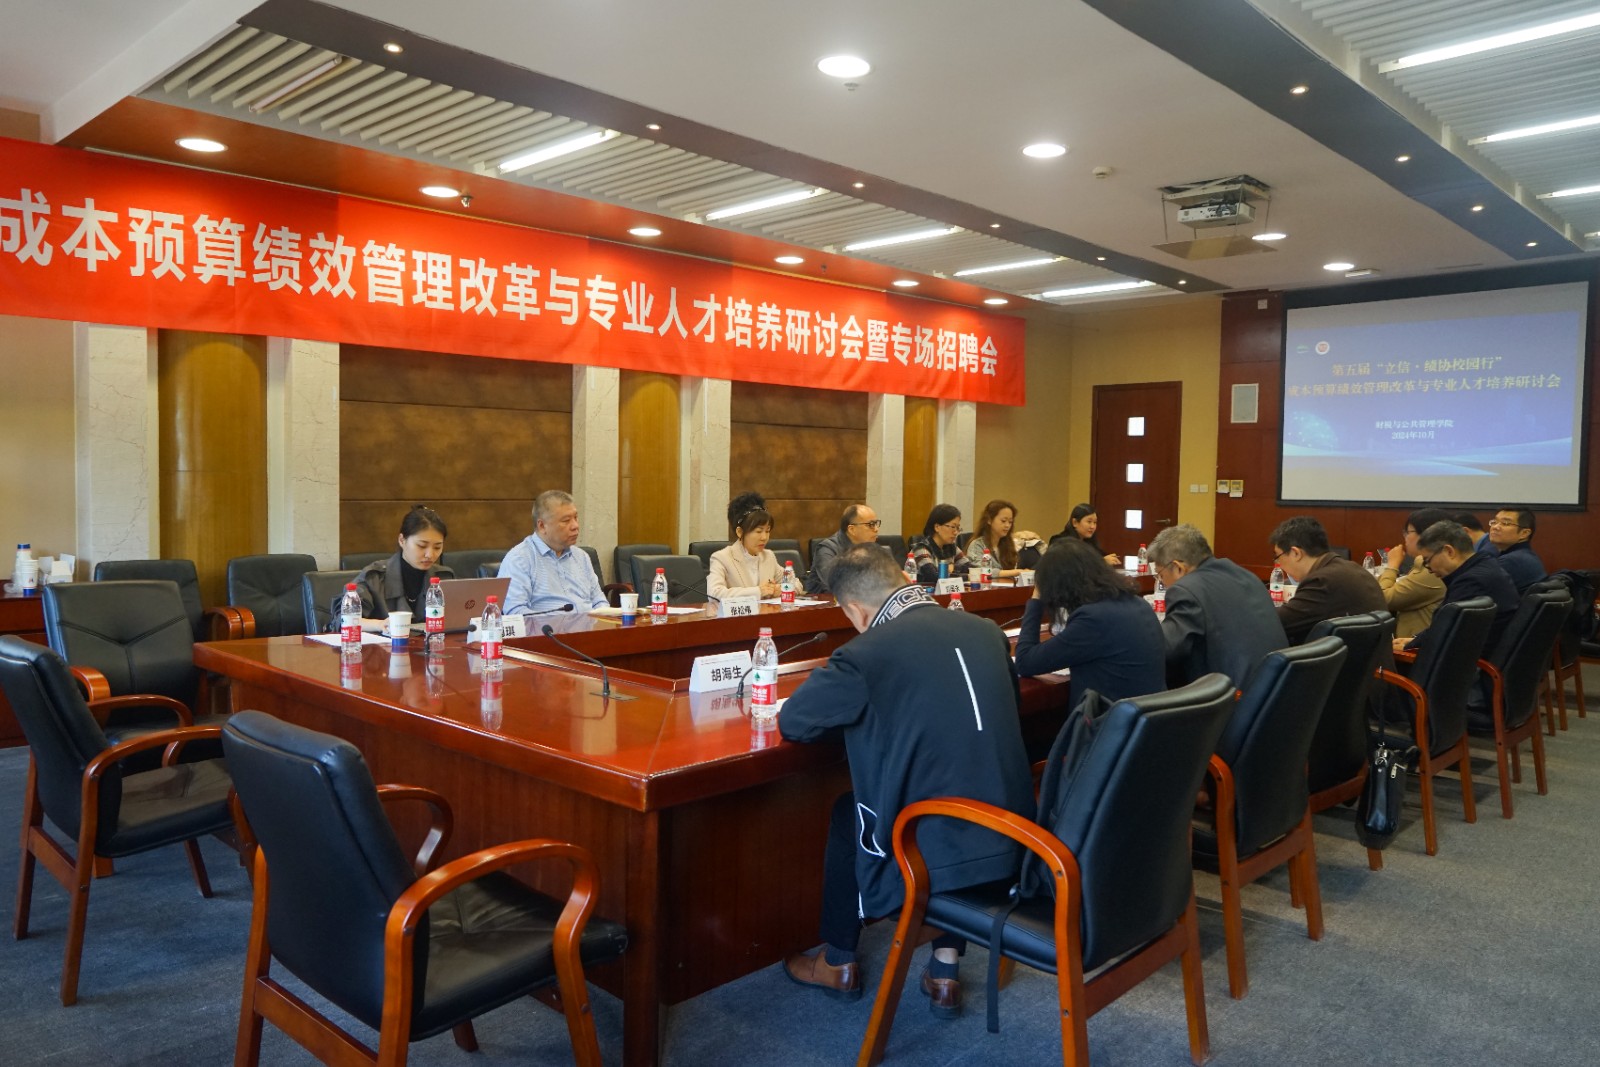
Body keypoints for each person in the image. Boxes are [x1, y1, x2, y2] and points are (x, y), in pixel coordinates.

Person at [779, 546, 1031, 1014]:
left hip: (929, 849)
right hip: (1012, 839)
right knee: (956, 784)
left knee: (849, 812)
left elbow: (795, 722)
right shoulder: (986, 631)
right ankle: (945, 968)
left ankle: (838, 961)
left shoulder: (865, 653)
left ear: (856, 610)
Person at [1013, 538, 1165, 708]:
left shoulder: (1093, 619)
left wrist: (1036, 599)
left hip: (1109, 721)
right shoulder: (1138, 603)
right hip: (1145, 719)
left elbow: (1025, 662)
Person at [1146, 524, 1287, 688]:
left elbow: (1165, 650)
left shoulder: (1186, 590)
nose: (1161, 582)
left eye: (1160, 575)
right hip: (1275, 687)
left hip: (1233, 694)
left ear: (1179, 568)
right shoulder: (1245, 575)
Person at [1398, 520, 1519, 655]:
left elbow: (1445, 633)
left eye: (1427, 561)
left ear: (1449, 551)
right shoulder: (1486, 565)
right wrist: (1415, 640)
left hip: (1470, 662)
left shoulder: (1470, 582)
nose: (1429, 569)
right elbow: (1443, 628)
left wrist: (1408, 647)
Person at [1269, 516, 1385, 645]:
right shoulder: (1352, 569)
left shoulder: (1322, 582)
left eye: (1278, 556)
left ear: (1296, 553)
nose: (1278, 563)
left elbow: (1276, 623)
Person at [338, 505, 456, 626]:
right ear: (402, 540)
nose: (430, 555)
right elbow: (343, 620)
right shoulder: (374, 578)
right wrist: (380, 625)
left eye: (437, 547)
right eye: (421, 546)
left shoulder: (444, 577)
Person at [500, 490, 607, 616]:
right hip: (548, 628)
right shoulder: (519, 559)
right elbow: (516, 612)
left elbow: (599, 601)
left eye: (575, 518)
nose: (575, 526)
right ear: (542, 526)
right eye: (566, 520)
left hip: (590, 626)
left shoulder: (581, 556)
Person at [1376, 507, 1451, 639]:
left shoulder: (1432, 570)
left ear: (1427, 534)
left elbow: (1383, 599)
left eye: (1408, 532)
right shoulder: (1424, 563)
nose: (1405, 537)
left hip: (1416, 647)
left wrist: (1392, 565)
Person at [708, 491, 782, 600]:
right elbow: (714, 593)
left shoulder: (768, 556)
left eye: (767, 531)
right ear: (740, 532)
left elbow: (795, 583)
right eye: (758, 531)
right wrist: (758, 591)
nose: (764, 537)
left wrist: (781, 589)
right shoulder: (722, 558)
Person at [805, 503, 882, 595]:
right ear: (852, 529)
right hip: (825, 602)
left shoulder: (871, 548)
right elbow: (835, 583)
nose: (876, 529)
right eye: (871, 524)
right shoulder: (828, 548)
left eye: (876, 524)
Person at [1487, 506, 1546, 592]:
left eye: (1505, 523)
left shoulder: (1511, 561)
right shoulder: (1525, 555)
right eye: (1494, 522)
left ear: (1524, 533)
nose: (1495, 527)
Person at [908, 503, 970, 584]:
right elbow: (935, 577)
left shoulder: (951, 547)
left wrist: (953, 568)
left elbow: (970, 568)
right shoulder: (921, 549)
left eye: (958, 528)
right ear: (937, 527)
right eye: (953, 527)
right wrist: (965, 576)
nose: (956, 532)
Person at [962, 498, 1023, 577]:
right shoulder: (977, 545)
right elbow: (981, 571)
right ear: (989, 520)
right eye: (1003, 521)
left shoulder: (1008, 545)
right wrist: (1015, 572)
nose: (1007, 525)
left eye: (1010, 522)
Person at [1049, 503, 1121, 567]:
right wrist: (1102, 562)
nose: (1092, 526)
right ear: (1075, 522)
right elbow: (1070, 567)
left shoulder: (1090, 542)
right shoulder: (1060, 542)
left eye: (1095, 522)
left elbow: (1101, 557)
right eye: (1089, 522)